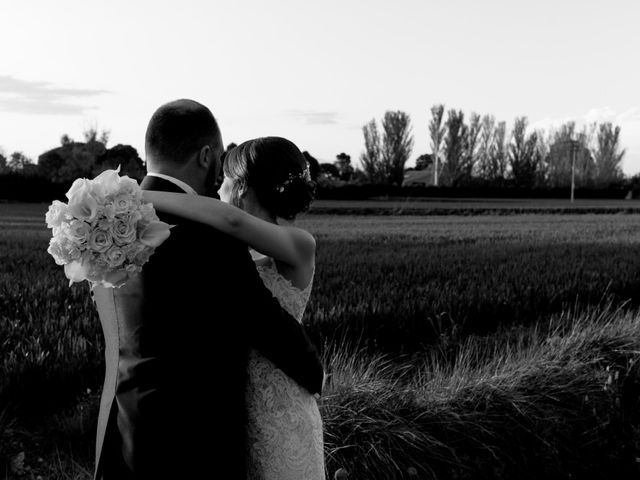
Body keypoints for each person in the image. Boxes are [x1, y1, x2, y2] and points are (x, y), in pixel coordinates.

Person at [91, 100, 324, 480]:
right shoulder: (214, 242)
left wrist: (123, 197)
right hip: (198, 449)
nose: (221, 183)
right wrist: (314, 369)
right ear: (205, 157)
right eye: (220, 167)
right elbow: (266, 323)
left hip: (125, 435)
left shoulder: (103, 229)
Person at [143, 136, 326, 479]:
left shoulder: (299, 243)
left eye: (225, 179)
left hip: (281, 405)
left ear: (241, 187)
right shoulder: (228, 247)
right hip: (236, 406)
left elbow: (232, 221)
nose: (218, 188)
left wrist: (138, 195)